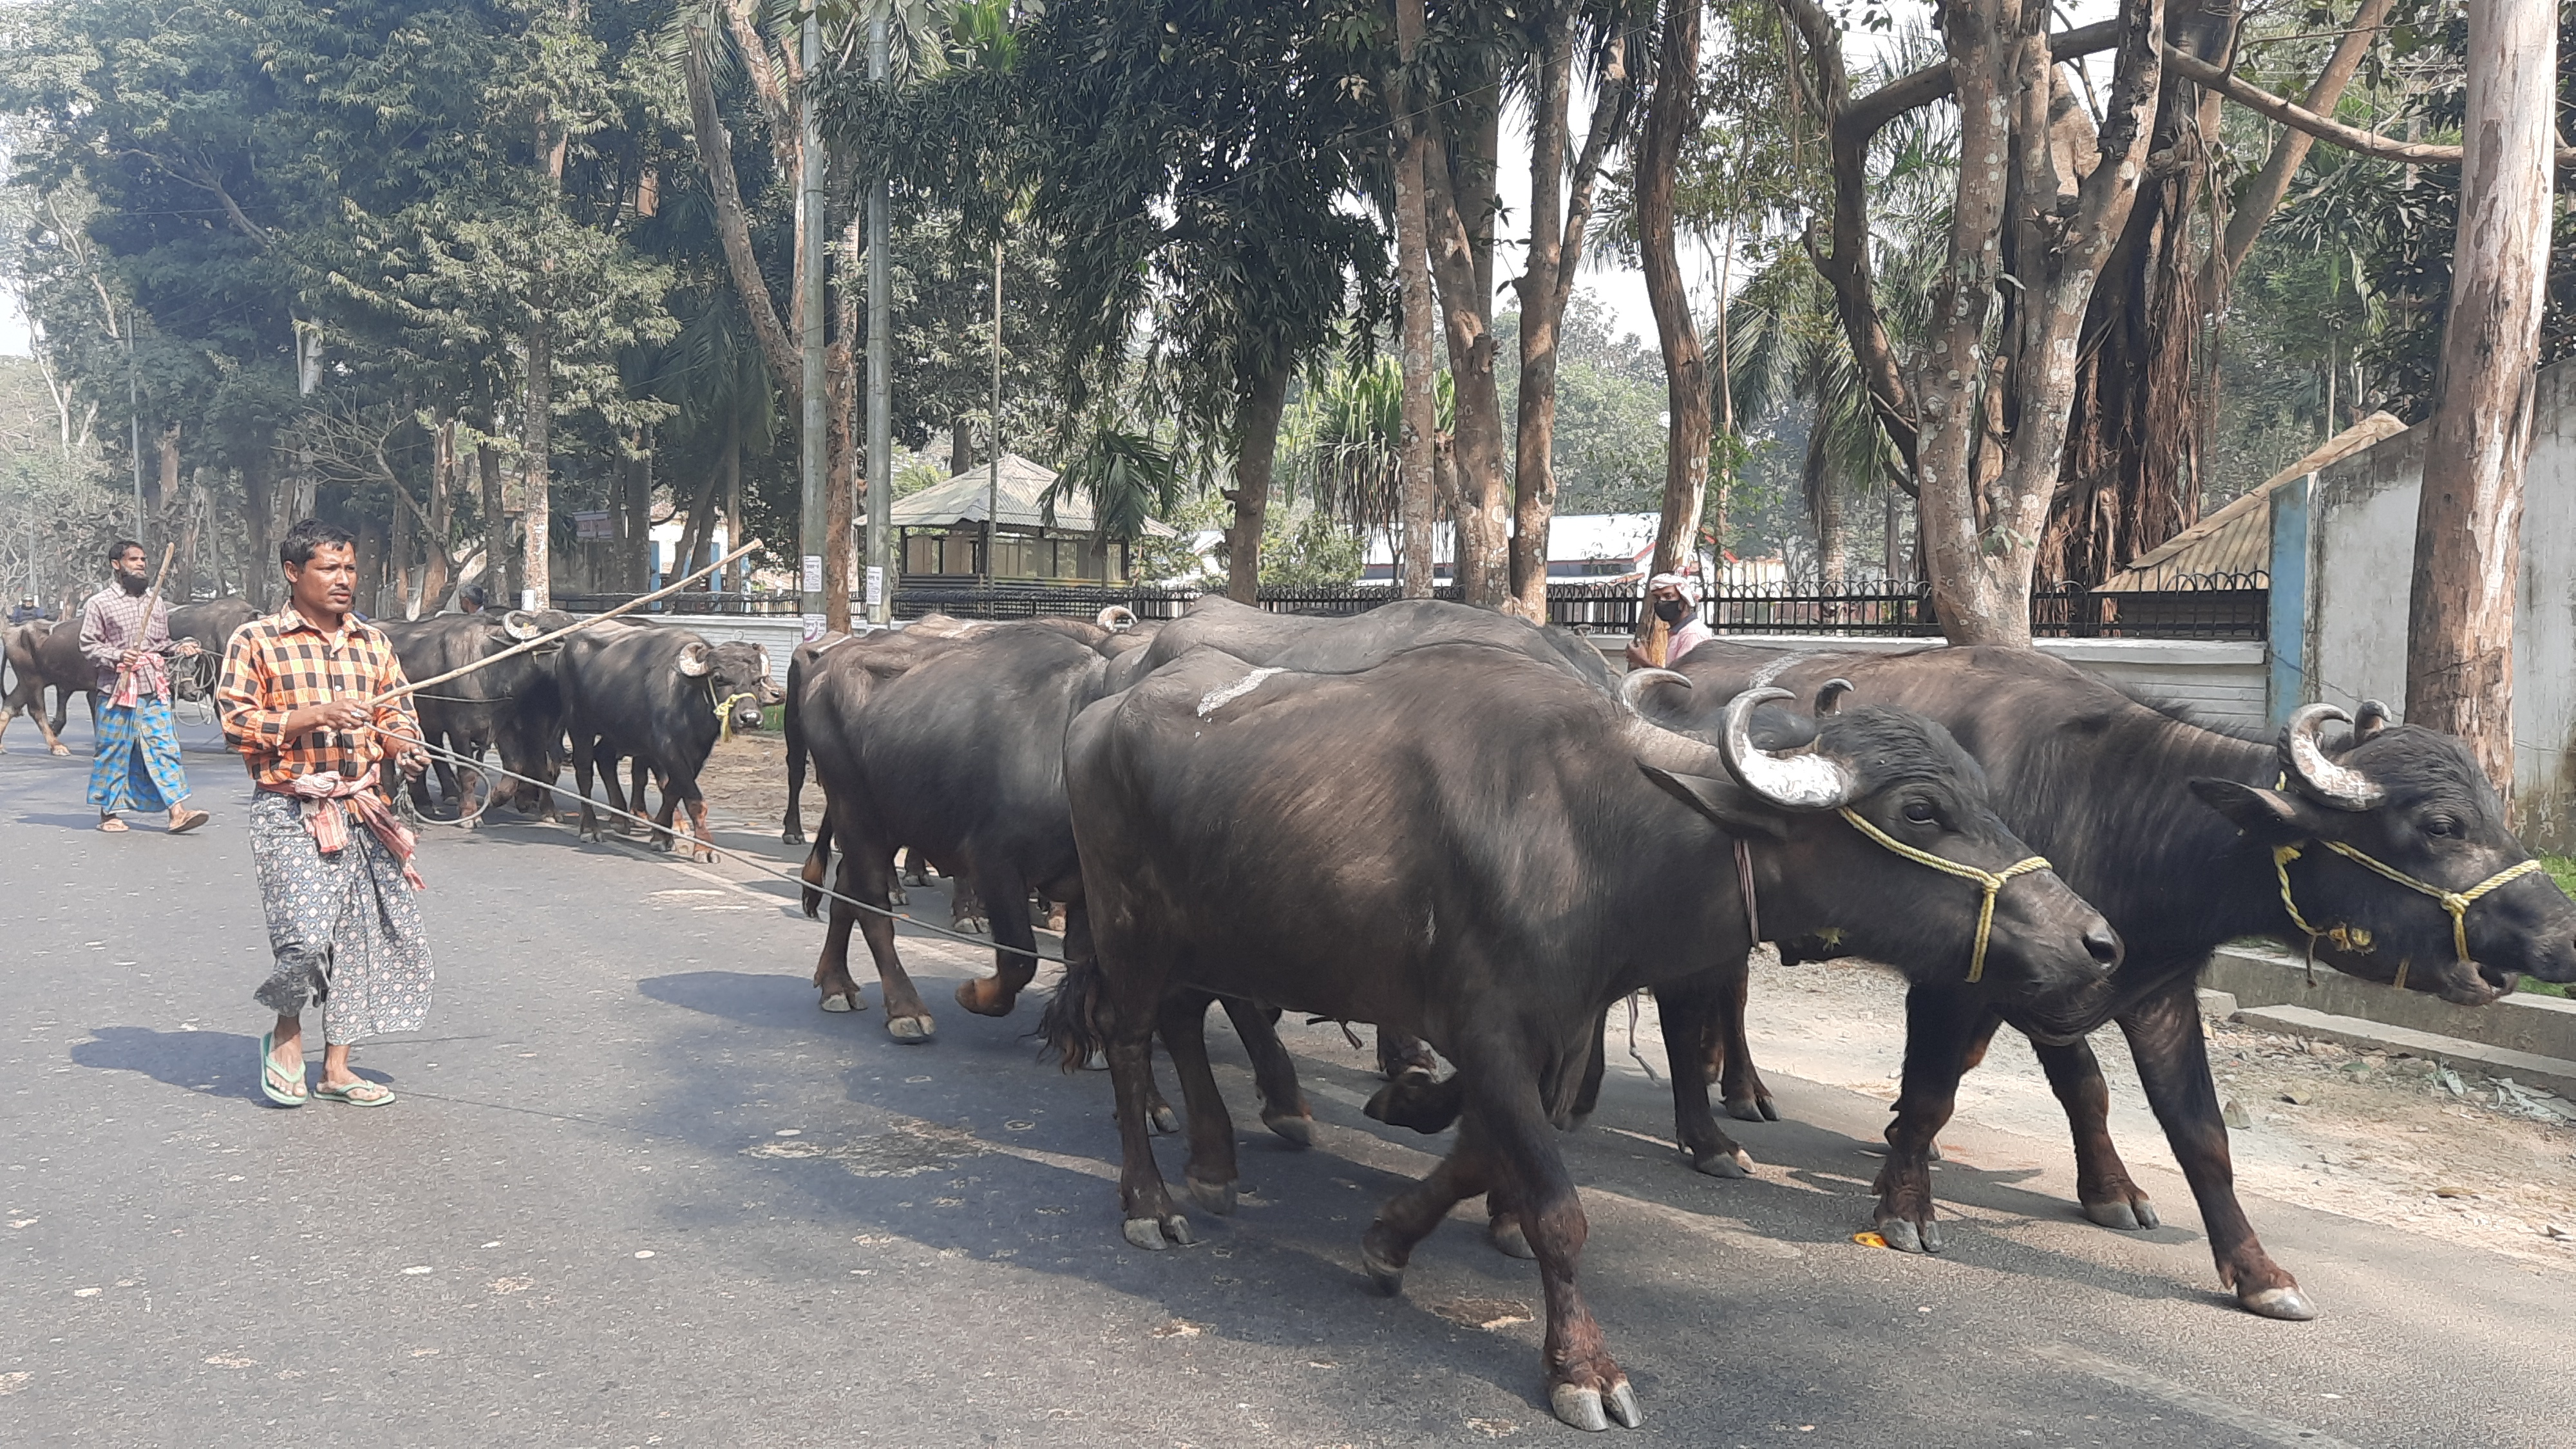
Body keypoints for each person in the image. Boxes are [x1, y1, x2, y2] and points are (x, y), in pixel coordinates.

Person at [215, 518, 434, 1108]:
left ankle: (337, 1068)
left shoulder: (375, 643)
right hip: (291, 809)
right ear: (293, 573)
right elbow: (236, 723)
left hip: (364, 808)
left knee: (359, 939)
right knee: (305, 939)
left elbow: (398, 715)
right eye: (329, 568)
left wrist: (404, 748)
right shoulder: (257, 640)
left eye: (351, 569)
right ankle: (287, 1033)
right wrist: (317, 715)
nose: (344, 580)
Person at [79, 540, 209, 834]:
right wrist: (118, 656)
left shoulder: (156, 602)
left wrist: (181, 648)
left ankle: (178, 812)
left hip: (153, 688)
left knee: (165, 747)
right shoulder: (100, 603)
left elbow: (161, 645)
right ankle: (109, 812)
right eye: (133, 559)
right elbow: (88, 645)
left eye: (144, 559)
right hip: (117, 690)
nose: (141, 564)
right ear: (117, 565)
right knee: (114, 751)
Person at [1624, 572, 1713, 670]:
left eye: (1668, 596)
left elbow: (1681, 680)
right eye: (1657, 598)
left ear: (1684, 600)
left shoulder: (1692, 633)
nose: (1661, 601)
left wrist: (1643, 661)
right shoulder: (1678, 632)